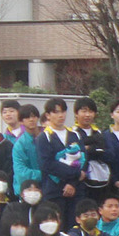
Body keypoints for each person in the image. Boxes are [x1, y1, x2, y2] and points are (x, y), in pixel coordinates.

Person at [35, 97, 87, 227]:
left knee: (74, 227)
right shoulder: (43, 137)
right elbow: (47, 164)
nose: (61, 115)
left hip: (76, 189)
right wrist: (75, 174)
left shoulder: (75, 134)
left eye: (63, 111)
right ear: (48, 115)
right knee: (56, 226)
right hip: (54, 189)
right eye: (56, 112)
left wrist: (72, 183)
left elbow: (83, 159)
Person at [72, 97, 110, 204]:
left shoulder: (99, 133)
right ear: (76, 114)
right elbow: (76, 153)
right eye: (84, 111)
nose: (87, 115)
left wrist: (88, 148)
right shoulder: (72, 133)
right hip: (80, 181)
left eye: (91, 111)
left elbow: (106, 152)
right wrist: (93, 149)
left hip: (100, 181)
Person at [12, 104, 42, 192]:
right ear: (21, 121)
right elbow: (21, 172)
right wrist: (44, 174)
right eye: (27, 117)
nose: (31, 119)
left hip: (49, 188)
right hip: (26, 190)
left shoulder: (48, 138)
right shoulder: (20, 144)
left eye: (34, 116)